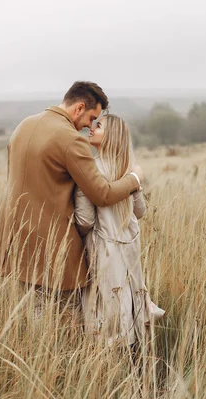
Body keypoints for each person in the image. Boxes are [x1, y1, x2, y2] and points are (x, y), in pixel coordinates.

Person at [0, 82, 143, 319]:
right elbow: (102, 194)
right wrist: (134, 179)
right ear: (79, 108)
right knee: (68, 322)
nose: (89, 126)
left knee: (34, 316)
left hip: (17, 242)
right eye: (91, 118)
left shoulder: (23, 126)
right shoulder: (71, 140)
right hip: (53, 249)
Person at [74, 114, 164, 346]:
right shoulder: (129, 171)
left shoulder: (90, 170)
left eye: (99, 126)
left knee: (105, 304)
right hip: (130, 245)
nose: (92, 128)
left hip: (104, 247)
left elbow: (84, 220)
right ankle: (137, 355)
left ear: (111, 136)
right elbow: (140, 211)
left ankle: (109, 361)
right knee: (130, 297)